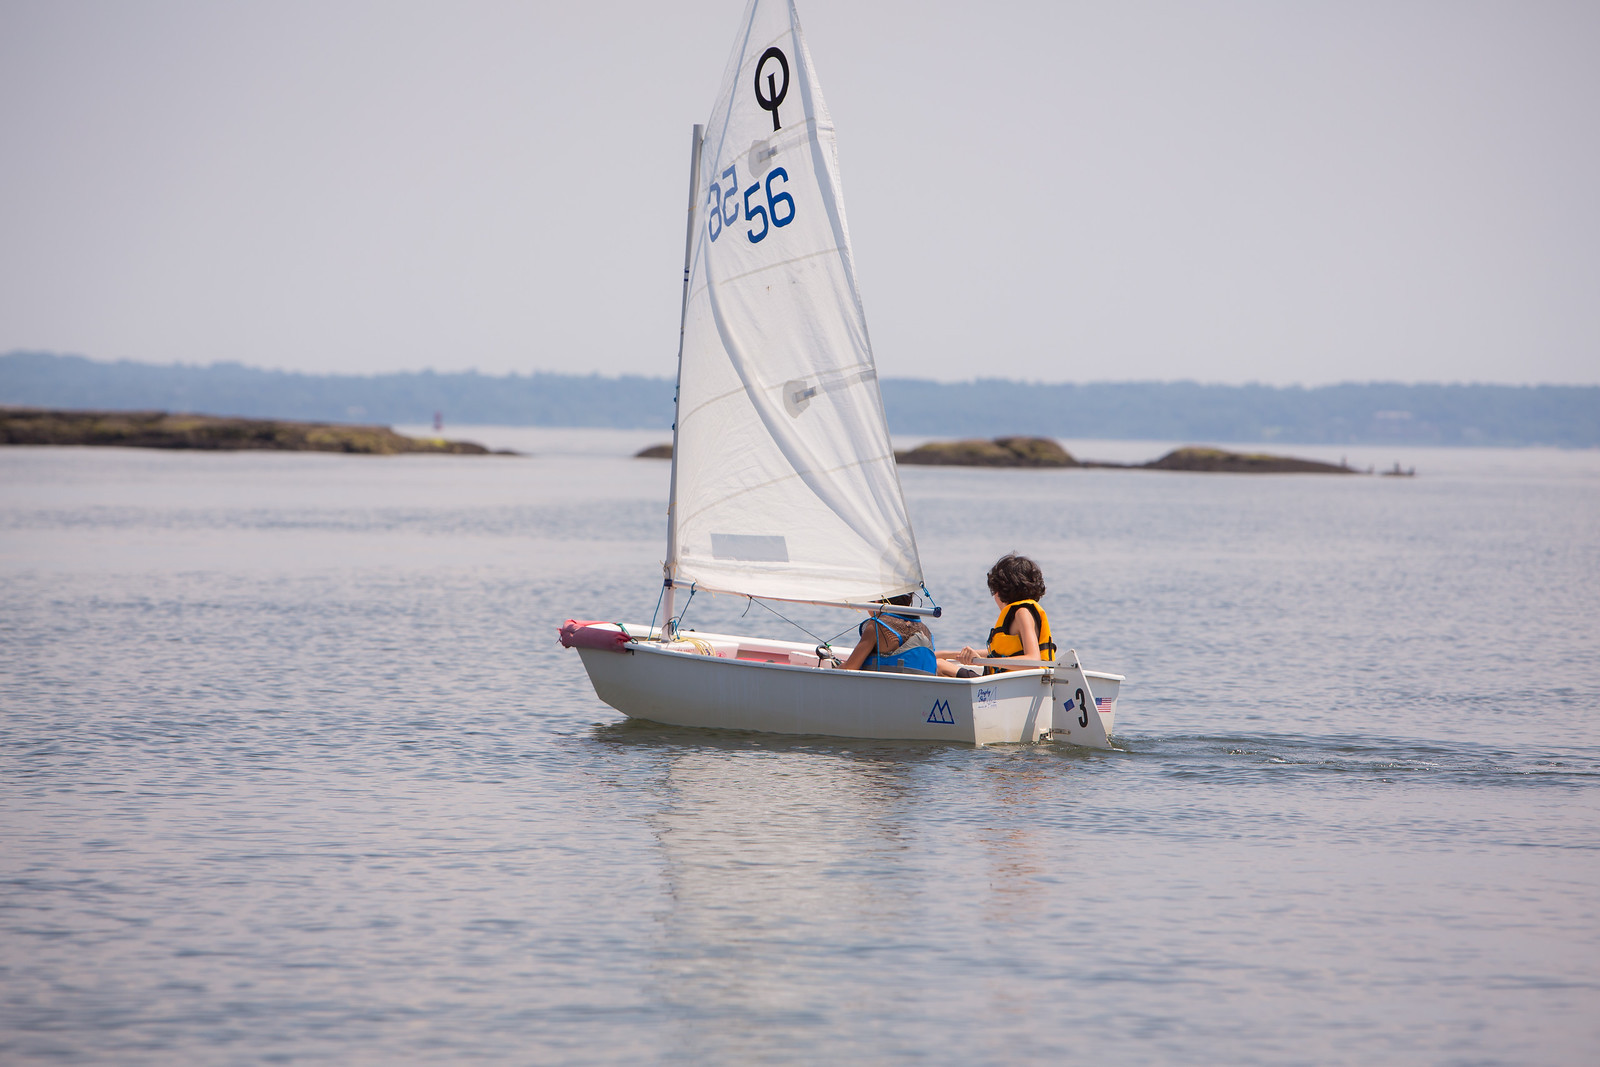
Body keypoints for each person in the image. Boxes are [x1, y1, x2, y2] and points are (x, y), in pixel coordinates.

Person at [936, 553, 1057, 676]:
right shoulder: (1019, 613)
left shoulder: (1022, 613)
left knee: (938, 665)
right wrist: (947, 654)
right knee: (939, 659)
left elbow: (1033, 660)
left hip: (1013, 688)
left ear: (1001, 590)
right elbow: (998, 654)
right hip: (1009, 685)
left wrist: (982, 662)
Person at [837, 593, 937, 674]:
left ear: (876, 601)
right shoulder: (925, 630)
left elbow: (849, 668)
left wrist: (835, 667)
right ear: (909, 601)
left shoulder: (877, 626)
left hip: (887, 691)